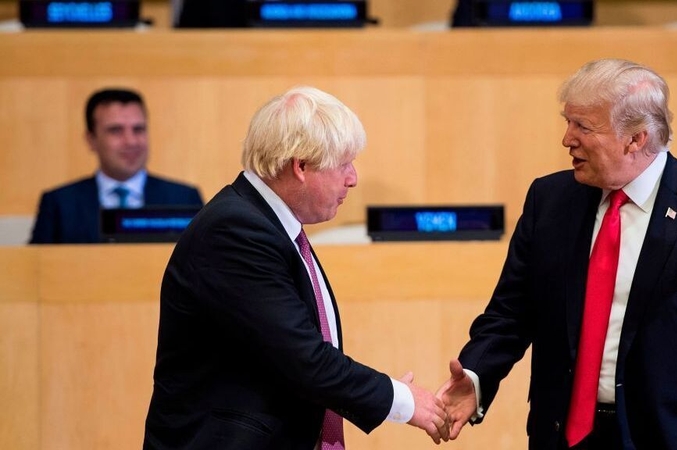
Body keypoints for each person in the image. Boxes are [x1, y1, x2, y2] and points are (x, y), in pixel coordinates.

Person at [437, 58, 677, 449]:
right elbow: (510, 312)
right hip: (561, 437)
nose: (567, 139)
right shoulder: (549, 200)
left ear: (636, 138)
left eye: (583, 126)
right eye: (568, 122)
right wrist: (476, 376)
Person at [143, 86, 449, 449]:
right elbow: (304, 359)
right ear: (300, 166)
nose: (353, 178)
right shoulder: (235, 231)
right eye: (343, 164)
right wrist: (401, 400)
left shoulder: (268, 224)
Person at [29, 88, 203, 244]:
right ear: (91, 139)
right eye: (116, 130)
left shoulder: (184, 199)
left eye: (138, 129)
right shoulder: (59, 204)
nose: (131, 141)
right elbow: (36, 264)